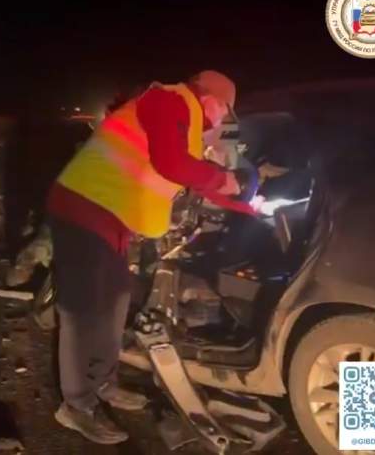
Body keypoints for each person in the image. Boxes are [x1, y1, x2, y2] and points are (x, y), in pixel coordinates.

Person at [45, 70, 242, 444]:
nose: (221, 122)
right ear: (213, 100)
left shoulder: (183, 118)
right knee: (83, 312)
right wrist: (220, 178)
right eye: (226, 112)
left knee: (116, 300)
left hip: (110, 217)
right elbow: (172, 163)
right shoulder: (168, 101)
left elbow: (177, 172)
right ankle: (76, 405)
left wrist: (239, 197)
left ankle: (103, 382)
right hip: (82, 208)